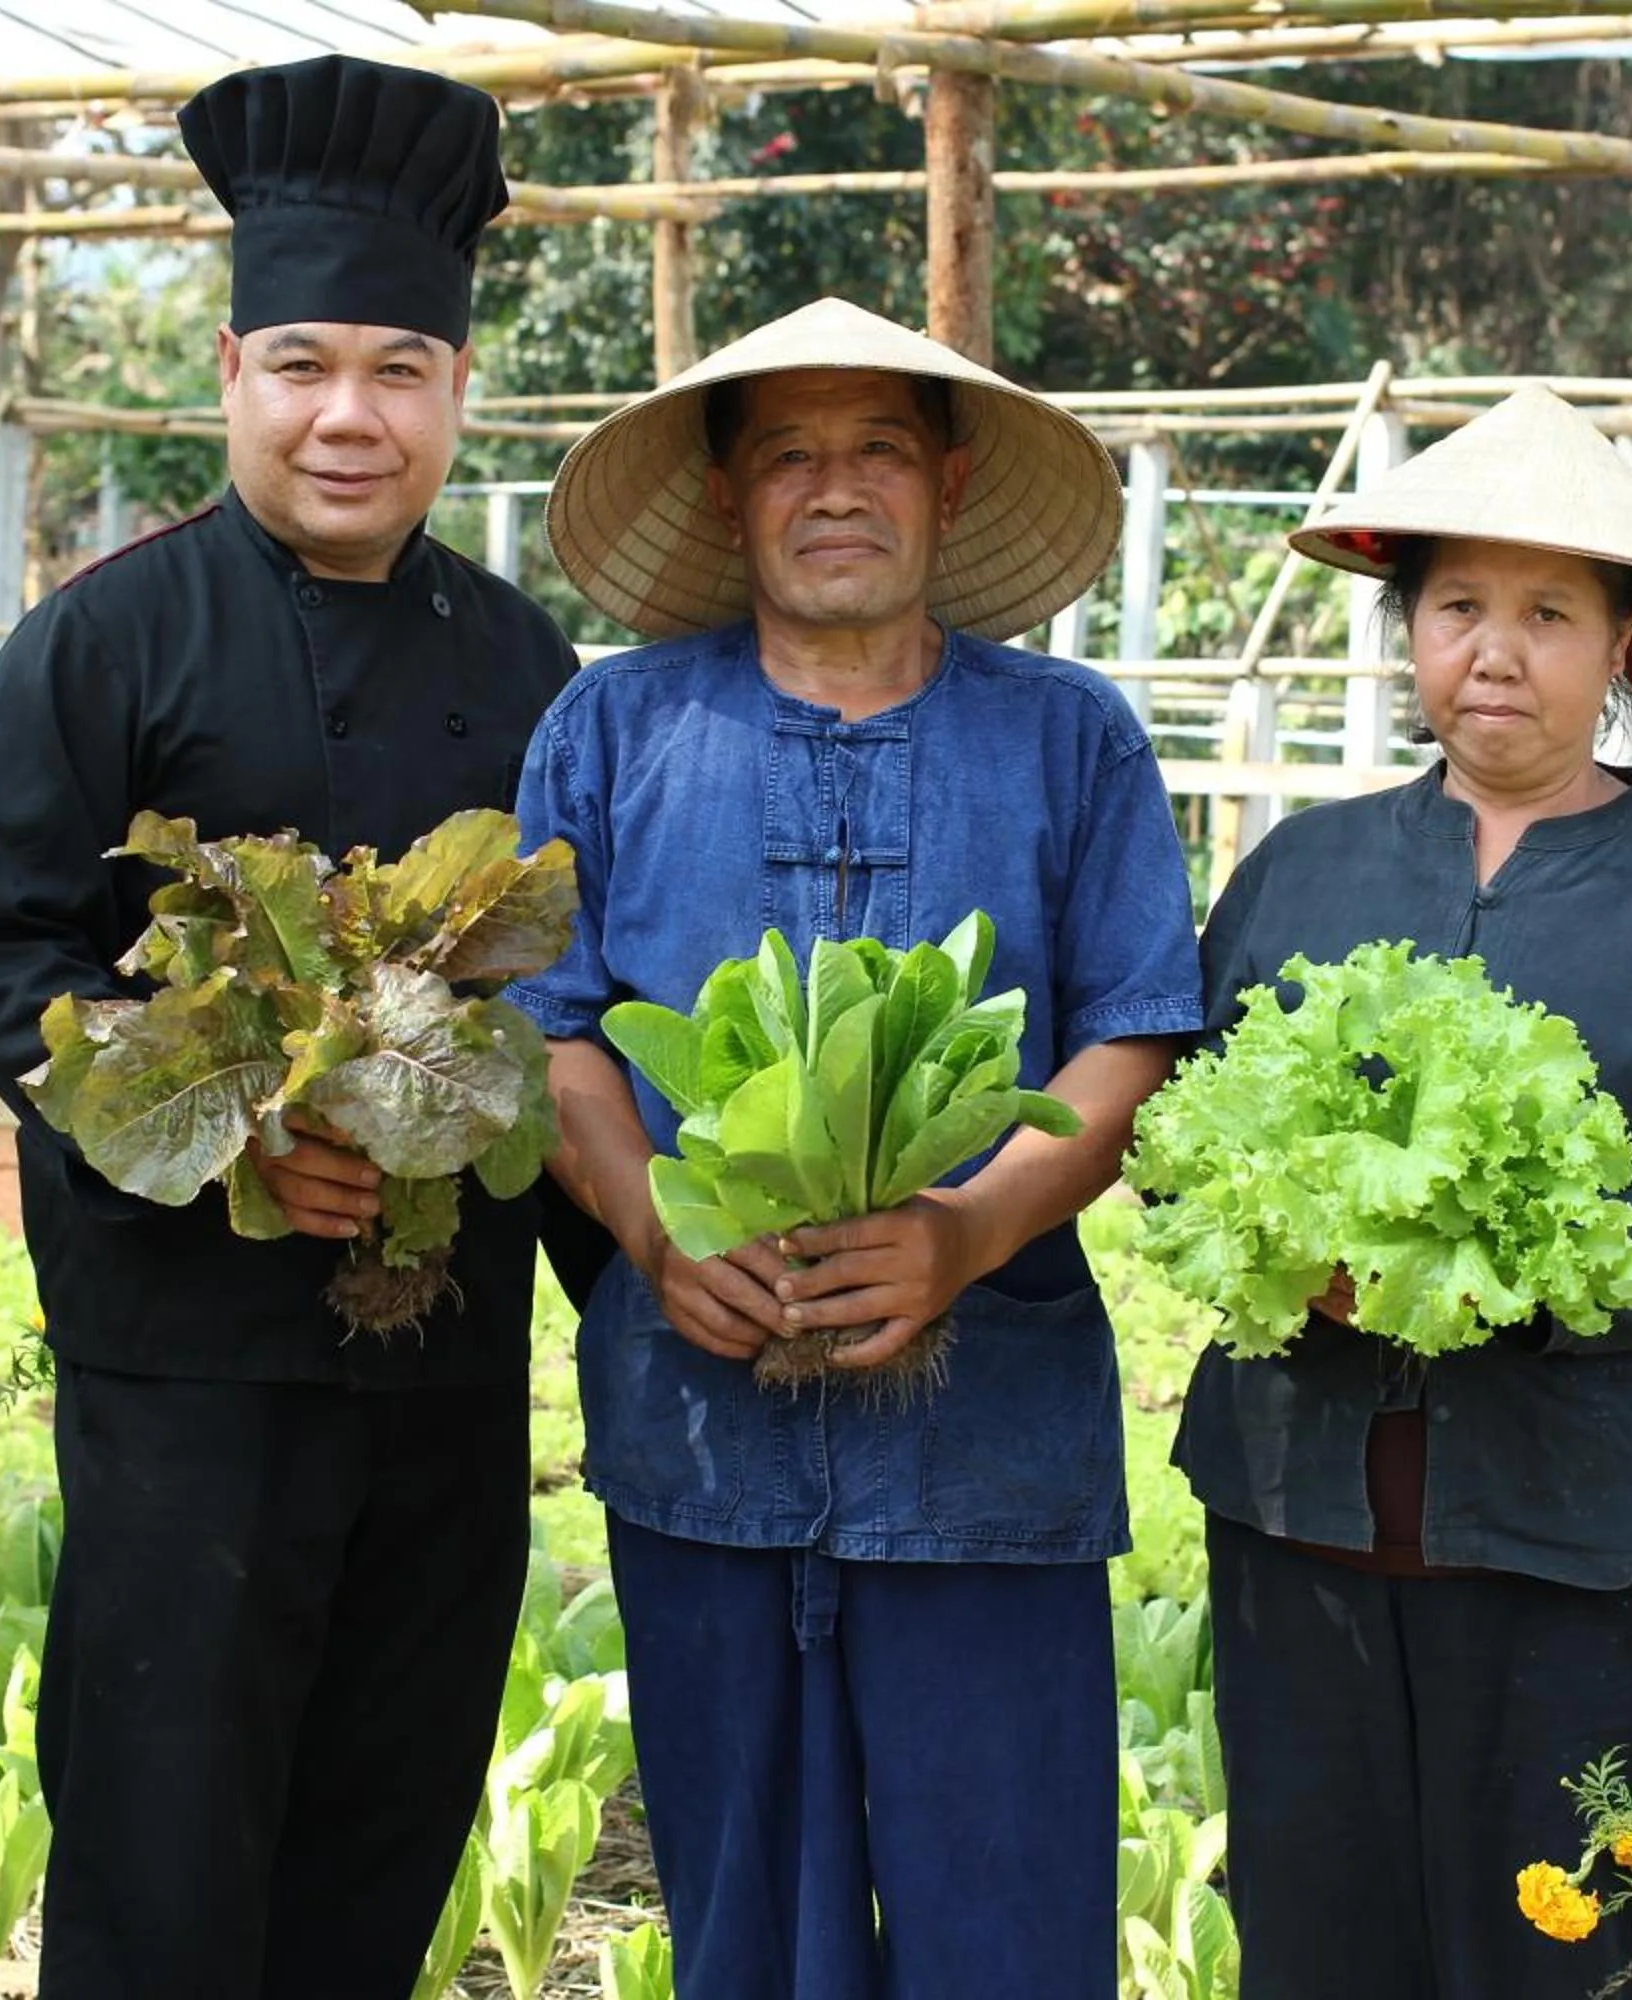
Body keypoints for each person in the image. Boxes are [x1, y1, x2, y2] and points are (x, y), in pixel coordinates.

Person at [0, 55, 579, 2000]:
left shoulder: (527, 658)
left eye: (397, 368)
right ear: (230, 374)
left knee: (387, 1828)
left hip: (449, 1367)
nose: (349, 415)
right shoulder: (104, 642)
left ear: (457, 393)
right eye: (304, 364)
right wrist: (226, 1121)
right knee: (166, 1847)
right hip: (186, 1377)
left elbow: (565, 990)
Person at [508, 297, 1205, 2000]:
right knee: (743, 1909)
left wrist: (968, 1233)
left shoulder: (1069, 735)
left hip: (994, 1440)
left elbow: (1132, 1035)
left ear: (948, 486)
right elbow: (550, 1034)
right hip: (701, 1418)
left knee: (1008, 1916)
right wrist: (658, 1238)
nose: (837, 490)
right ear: (732, 497)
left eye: (878, 450)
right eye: (791, 457)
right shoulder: (608, 732)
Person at [1174, 385, 1632, 1999]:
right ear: (1410, 629)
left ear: (1622, 641)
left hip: (1593, 1539)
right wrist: (1294, 1243)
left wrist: (1555, 1261)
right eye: (1459, 606)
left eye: (1550, 613)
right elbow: (1194, 1130)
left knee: (1564, 1960)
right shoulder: (1302, 869)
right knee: (1317, 1942)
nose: (1497, 651)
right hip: (1301, 1520)